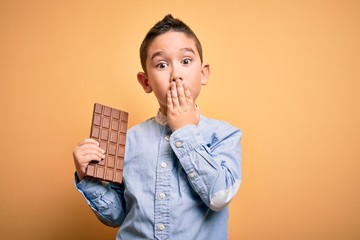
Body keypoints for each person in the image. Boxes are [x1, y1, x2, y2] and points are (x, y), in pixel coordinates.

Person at [73, 14, 242, 240]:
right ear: (146, 82)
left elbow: (219, 197)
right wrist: (88, 178)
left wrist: (185, 131)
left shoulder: (224, 135)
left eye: (186, 61)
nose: (176, 75)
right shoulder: (127, 140)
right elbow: (117, 216)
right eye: (162, 65)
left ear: (203, 73)